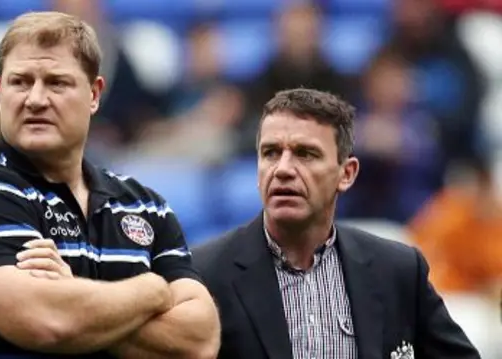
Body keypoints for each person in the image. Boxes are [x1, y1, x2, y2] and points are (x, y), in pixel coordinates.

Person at [0, 11, 220, 359]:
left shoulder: (146, 208)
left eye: (57, 82)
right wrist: (152, 291)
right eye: (20, 82)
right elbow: (48, 323)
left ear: (94, 94)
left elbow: (199, 343)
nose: (35, 99)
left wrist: (73, 294)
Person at [192, 88, 480, 359]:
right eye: (271, 153)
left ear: (347, 174)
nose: (283, 170)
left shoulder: (398, 271)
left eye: (306, 154)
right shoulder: (204, 274)